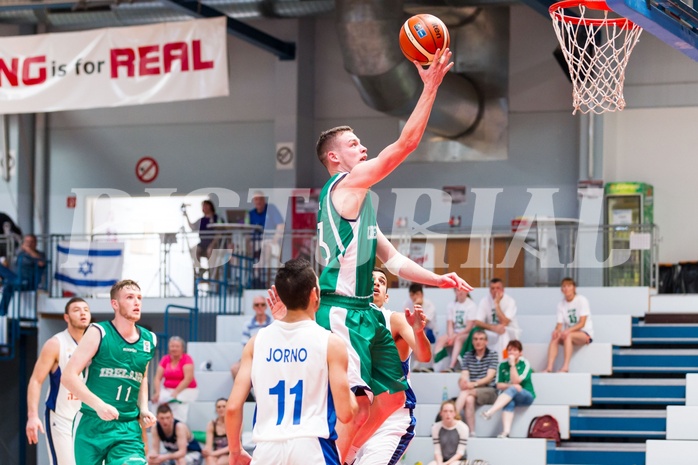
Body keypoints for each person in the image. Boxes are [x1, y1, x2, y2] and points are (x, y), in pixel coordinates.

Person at [314, 45, 473, 462]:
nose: (362, 146)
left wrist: (439, 279)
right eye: (353, 143)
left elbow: (395, 261)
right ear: (335, 157)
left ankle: (348, 455)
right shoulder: (344, 187)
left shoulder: (361, 201)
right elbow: (405, 144)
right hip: (340, 312)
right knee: (360, 405)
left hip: (365, 312)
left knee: (392, 398)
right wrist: (431, 87)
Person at [225, 258, 357, 465]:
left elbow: (232, 407)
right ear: (314, 294)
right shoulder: (331, 343)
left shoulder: (255, 343)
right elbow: (346, 414)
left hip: (267, 449)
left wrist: (235, 450)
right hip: (313, 447)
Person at [61, 279, 158, 465]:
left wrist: (144, 408)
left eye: (139, 298)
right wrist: (99, 405)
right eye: (129, 297)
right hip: (91, 423)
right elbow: (68, 376)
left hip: (127, 427)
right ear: (115, 303)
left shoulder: (149, 339)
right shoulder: (99, 332)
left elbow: (142, 376)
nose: (136, 302)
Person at [354, 268, 431, 465]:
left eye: (381, 281)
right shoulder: (345, 324)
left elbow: (424, 355)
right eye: (371, 279)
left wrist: (419, 331)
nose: (376, 283)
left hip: (390, 419)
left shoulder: (394, 319)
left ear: (386, 297)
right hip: (357, 419)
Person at [25, 297, 91, 465]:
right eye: (76, 310)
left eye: (86, 309)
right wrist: (32, 416)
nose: (83, 313)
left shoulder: (95, 343)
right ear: (66, 317)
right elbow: (35, 380)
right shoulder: (56, 344)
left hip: (87, 418)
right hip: (61, 417)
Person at [481, 340, 536, 438]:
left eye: (515, 350)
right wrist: (510, 386)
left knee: (513, 389)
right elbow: (498, 385)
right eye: (509, 350)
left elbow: (516, 381)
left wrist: (512, 365)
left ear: (520, 353)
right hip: (511, 395)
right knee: (509, 400)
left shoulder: (525, 363)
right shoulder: (502, 365)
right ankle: (506, 432)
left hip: (526, 395)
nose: (511, 352)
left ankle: (490, 412)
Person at [544, 277, 594, 373]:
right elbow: (559, 324)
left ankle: (565, 367)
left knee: (568, 335)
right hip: (569, 332)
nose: (566, 288)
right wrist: (556, 331)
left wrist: (567, 331)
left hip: (584, 333)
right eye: (564, 286)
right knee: (555, 337)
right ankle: (549, 368)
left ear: (574, 288)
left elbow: (582, 323)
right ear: (561, 290)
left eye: (569, 286)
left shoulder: (582, 300)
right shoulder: (560, 304)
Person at [454, 330, 499, 436]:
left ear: (486, 341)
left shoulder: (493, 355)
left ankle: (451, 416)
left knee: (465, 393)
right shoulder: (468, 355)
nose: (478, 342)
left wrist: (473, 384)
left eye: (481, 339)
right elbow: (464, 374)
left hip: (490, 390)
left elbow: (489, 377)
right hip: (473, 391)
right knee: (469, 400)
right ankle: (472, 432)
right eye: (475, 339)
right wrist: (463, 382)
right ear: (472, 342)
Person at [151, 336, 199, 422]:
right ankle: (155, 424)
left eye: (177, 346)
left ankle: (179, 424)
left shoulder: (187, 359)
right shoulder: (165, 359)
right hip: (167, 389)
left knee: (175, 401)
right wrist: (157, 392)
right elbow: (157, 378)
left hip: (186, 390)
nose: (174, 349)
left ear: (182, 348)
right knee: (155, 400)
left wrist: (175, 392)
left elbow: (188, 378)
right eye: (172, 346)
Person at [473, 278, 521, 358]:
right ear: (489, 290)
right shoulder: (484, 301)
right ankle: (478, 360)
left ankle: (504, 359)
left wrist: (497, 304)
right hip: (492, 330)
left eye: (498, 288)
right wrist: (493, 328)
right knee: (477, 334)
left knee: (503, 332)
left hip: (510, 330)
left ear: (503, 290)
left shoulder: (510, 301)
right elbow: (477, 322)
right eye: (492, 288)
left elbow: (505, 322)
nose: (495, 291)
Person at [0, 233, 47, 315]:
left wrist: (29, 250)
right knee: (8, 287)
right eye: (26, 242)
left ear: (35, 243)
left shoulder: (39, 254)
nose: (28, 244)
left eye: (31, 242)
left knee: (9, 285)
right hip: (16, 280)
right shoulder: (20, 253)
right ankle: (2, 312)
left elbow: (41, 263)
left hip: (27, 281)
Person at [434, 289, 478, 372]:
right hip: (454, 333)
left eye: (462, 290)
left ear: (466, 292)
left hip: (467, 334)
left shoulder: (471, 305)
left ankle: (452, 366)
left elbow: (469, 327)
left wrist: (455, 336)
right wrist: (450, 336)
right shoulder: (451, 305)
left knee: (458, 339)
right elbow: (450, 324)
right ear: (455, 292)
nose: (460, 292)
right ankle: (436, 366)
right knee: (441, 340)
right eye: (458, 290)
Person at [230, 295, 272, 380]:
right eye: (257, 305)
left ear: (266, 307)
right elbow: (245, 346)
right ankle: (248, 393)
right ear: (253, 307)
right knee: (234, 369)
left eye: (262, 304)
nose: (259, 307)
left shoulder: (272, 322)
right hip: (252, 356)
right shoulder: (248, 324)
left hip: (269, 357)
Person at [427, 400, 469, 465]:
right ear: (441, 413)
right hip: (442, 460)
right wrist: (440, 463)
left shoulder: (463, 428)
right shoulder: (435, 427)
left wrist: (446, 463)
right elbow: (437, 451)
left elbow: (460, 453)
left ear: (455, 413)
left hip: (459, 460)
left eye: (451, 411)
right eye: (445, 411)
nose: (448, 414)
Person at [184, 200, 222, 271]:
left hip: (214, 242)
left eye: (205, 206)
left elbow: (219, 232)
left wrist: (212, 244)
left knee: (210, 251)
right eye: (203, 206)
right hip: (203, 243)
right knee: (194, 250)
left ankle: (212, 274)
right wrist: (186, 216)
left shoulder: (217, 218)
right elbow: (193, 227)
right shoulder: (201, 220)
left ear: (210, 206)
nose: (204, 208)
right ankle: (200, 270)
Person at [202, 398, 229, 465]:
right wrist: (207, 451)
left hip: (230, 454)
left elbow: (233, 446)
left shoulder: (235, 423)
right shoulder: (211, 424)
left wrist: (213, 454)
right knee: (209, 458)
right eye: (219, 407)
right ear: (216, 409)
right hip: (215, 453)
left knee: (218, 463)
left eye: (224, 406)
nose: (221, 409)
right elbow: (209, 444)